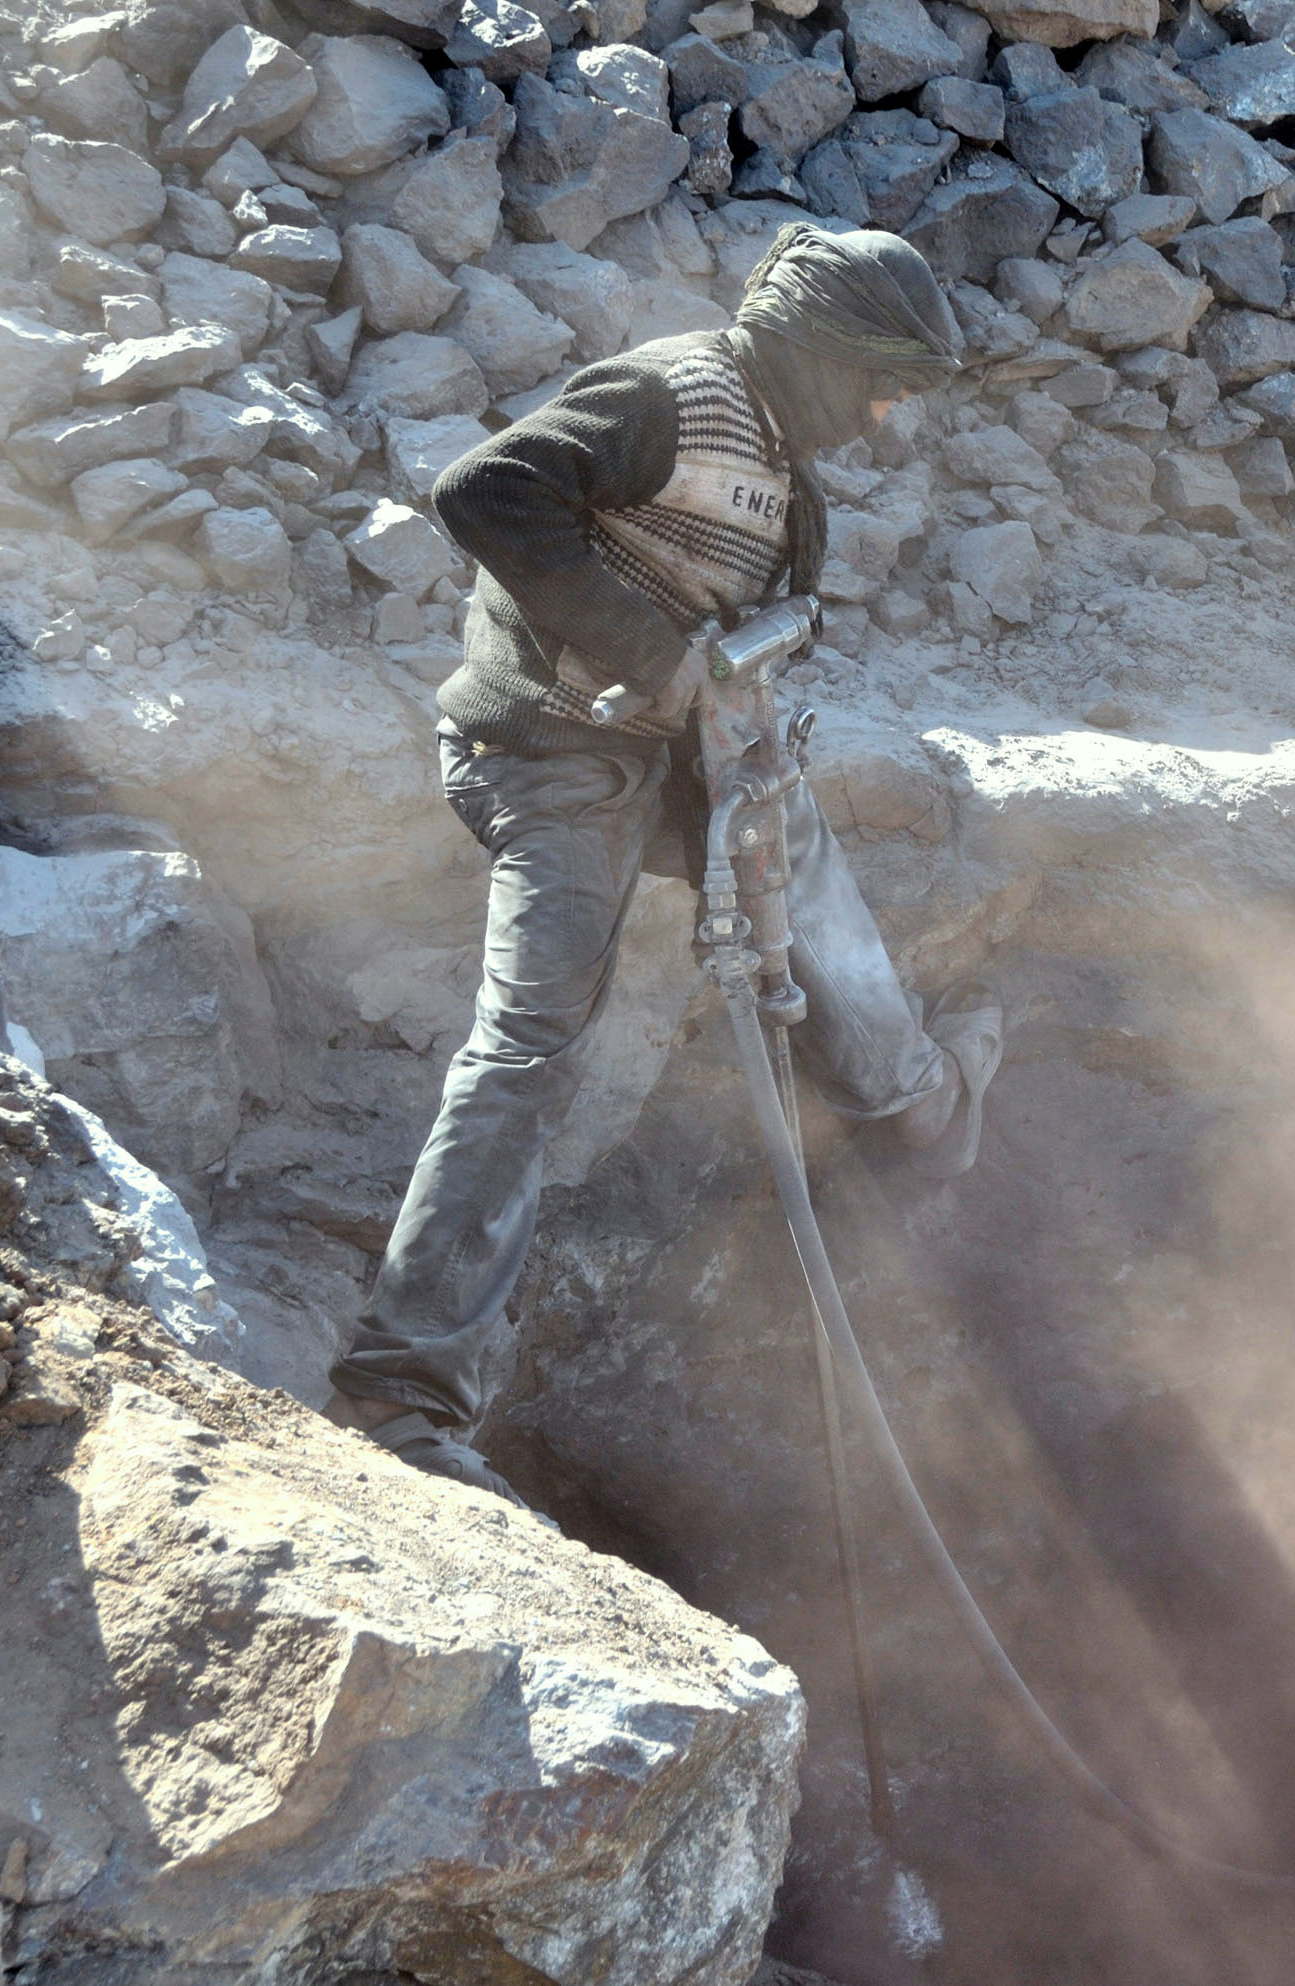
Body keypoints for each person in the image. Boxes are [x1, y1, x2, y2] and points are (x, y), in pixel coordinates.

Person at [323, 224, 1002, 1508]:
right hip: (551, 754)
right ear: (820, 352)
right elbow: (484, 492)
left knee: (808, 879)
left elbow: (730, 656)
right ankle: (401, 1386)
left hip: (679, 763)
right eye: (881, 381)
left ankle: (916, 1106)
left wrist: (735, 748)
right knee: (533, 1036)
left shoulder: (789, 484)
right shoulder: (672, 395)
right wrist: (650, 645)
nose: (888, 412)